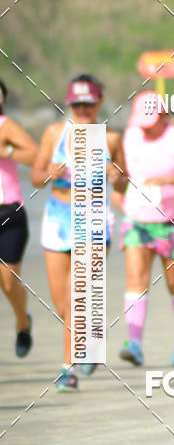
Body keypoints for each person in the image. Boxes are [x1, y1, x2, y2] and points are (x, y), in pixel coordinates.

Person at [31, 75, 126, 392]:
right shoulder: (54, 133)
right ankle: (90, 337)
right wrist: (48, 173)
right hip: (58, 219)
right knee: (62, 305)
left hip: (94, 219)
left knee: (76, 297)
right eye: (77, 105)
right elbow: (35, 176)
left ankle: (67, 370)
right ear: (69, 105)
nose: (83, 110)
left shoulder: (111, 139)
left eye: (88, 104)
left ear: (99, 103)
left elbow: (124, 183)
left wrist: (117, 176)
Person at [118, 92, 174, 367]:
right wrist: (117, 186)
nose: (145, 127)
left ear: (163, 116)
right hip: (137, 219)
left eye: (150, 122)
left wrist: (164, 179)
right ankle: (135, 344)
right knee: (136, 280)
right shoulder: (131, 135)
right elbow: (124, 173)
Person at [0, 79, 38, 356]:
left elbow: (36, 155)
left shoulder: (6, 126)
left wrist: (6, 151)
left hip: (8, 213)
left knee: (9, 282)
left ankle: (23, 324)